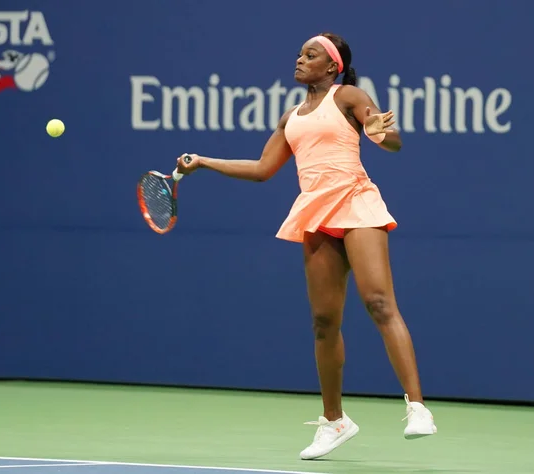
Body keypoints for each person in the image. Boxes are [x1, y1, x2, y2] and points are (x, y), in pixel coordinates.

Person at [175, 32, 437, 460]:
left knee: (379, 302)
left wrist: (378, 132)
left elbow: (391, 140)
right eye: (298, 54)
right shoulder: (290, 117)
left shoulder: (348, 94)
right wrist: (204, 161)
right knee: (323, 321)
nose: (300, 60)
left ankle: (418, 408)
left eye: (310, 55)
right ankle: (334, 421)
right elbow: (262, 169)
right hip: (315, 213)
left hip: (355, 201)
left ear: (332, 66)